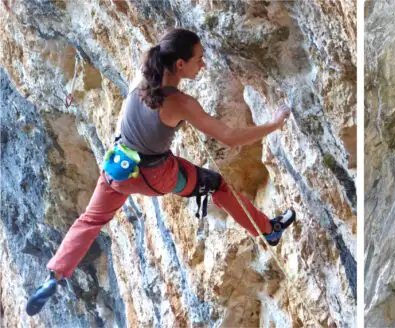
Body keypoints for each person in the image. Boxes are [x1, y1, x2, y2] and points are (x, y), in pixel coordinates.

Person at [26, 28, 297, 315]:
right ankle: (269, 230)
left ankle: (55, 274)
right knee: (216, 185)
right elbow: (229, 136)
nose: (203, 65)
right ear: (180, 64)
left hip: (118, 168)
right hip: (156, 176)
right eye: (199, 59)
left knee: (90, 221)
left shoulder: (147, 72)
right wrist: (274, 124)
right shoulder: (181, 103)